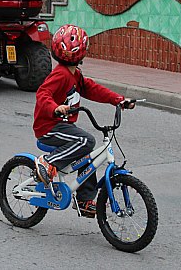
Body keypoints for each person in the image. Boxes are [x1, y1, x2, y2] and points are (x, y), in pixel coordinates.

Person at [32, 24, 134, 218]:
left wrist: (118, 100)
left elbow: (92, 89)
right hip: (49, 127)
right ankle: (46, 162)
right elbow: (43, 93)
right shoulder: (61, 74)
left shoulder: (75, 75)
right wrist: (55, 107)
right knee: (86, 141)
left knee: (89, 158)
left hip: (63, 126)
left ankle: (85, 199)